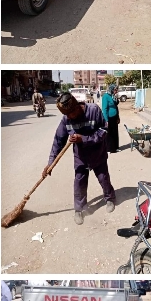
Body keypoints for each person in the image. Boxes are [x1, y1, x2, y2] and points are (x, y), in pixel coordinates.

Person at [46, 93, 116, 225]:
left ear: (77, 108)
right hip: (81, 157)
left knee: (103, 178)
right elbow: (58, 142)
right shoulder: (66, 119)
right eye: (66, 115)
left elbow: (104, 131)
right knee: (79, 182)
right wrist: (50, 164)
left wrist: (83, 139)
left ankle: (110, 198)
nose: (69, 117)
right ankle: (79, 209)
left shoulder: (94, 110)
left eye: (70, 114)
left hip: (98, 154)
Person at [101, 84, 121, 153]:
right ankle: (109, 149)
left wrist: (118, 117)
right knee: (110, 133)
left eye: (117, 89)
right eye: (115, 89)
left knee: (115, 133)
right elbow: (104, 108)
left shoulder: (113, 96)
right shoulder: (106, 96)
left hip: (115, 117)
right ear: (111, 89)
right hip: (109, 118)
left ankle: (115, 147)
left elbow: (116, 106)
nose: (116, 91)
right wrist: (106, 120)